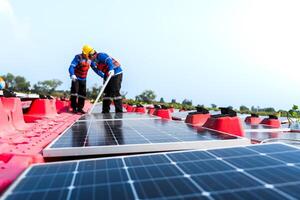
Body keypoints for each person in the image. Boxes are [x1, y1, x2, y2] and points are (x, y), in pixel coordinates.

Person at [68, 44, 95, 114]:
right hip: (76, 78)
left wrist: (103, 75)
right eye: (90, 53)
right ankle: (74, 108)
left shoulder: (89, 60)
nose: (91, 55)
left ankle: (80, 108)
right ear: (85, 53)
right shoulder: (78, 57)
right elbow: (71, 67)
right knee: (74, 93)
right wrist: (72, 74)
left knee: (82, 94)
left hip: (83, 79)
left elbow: (95, 68)